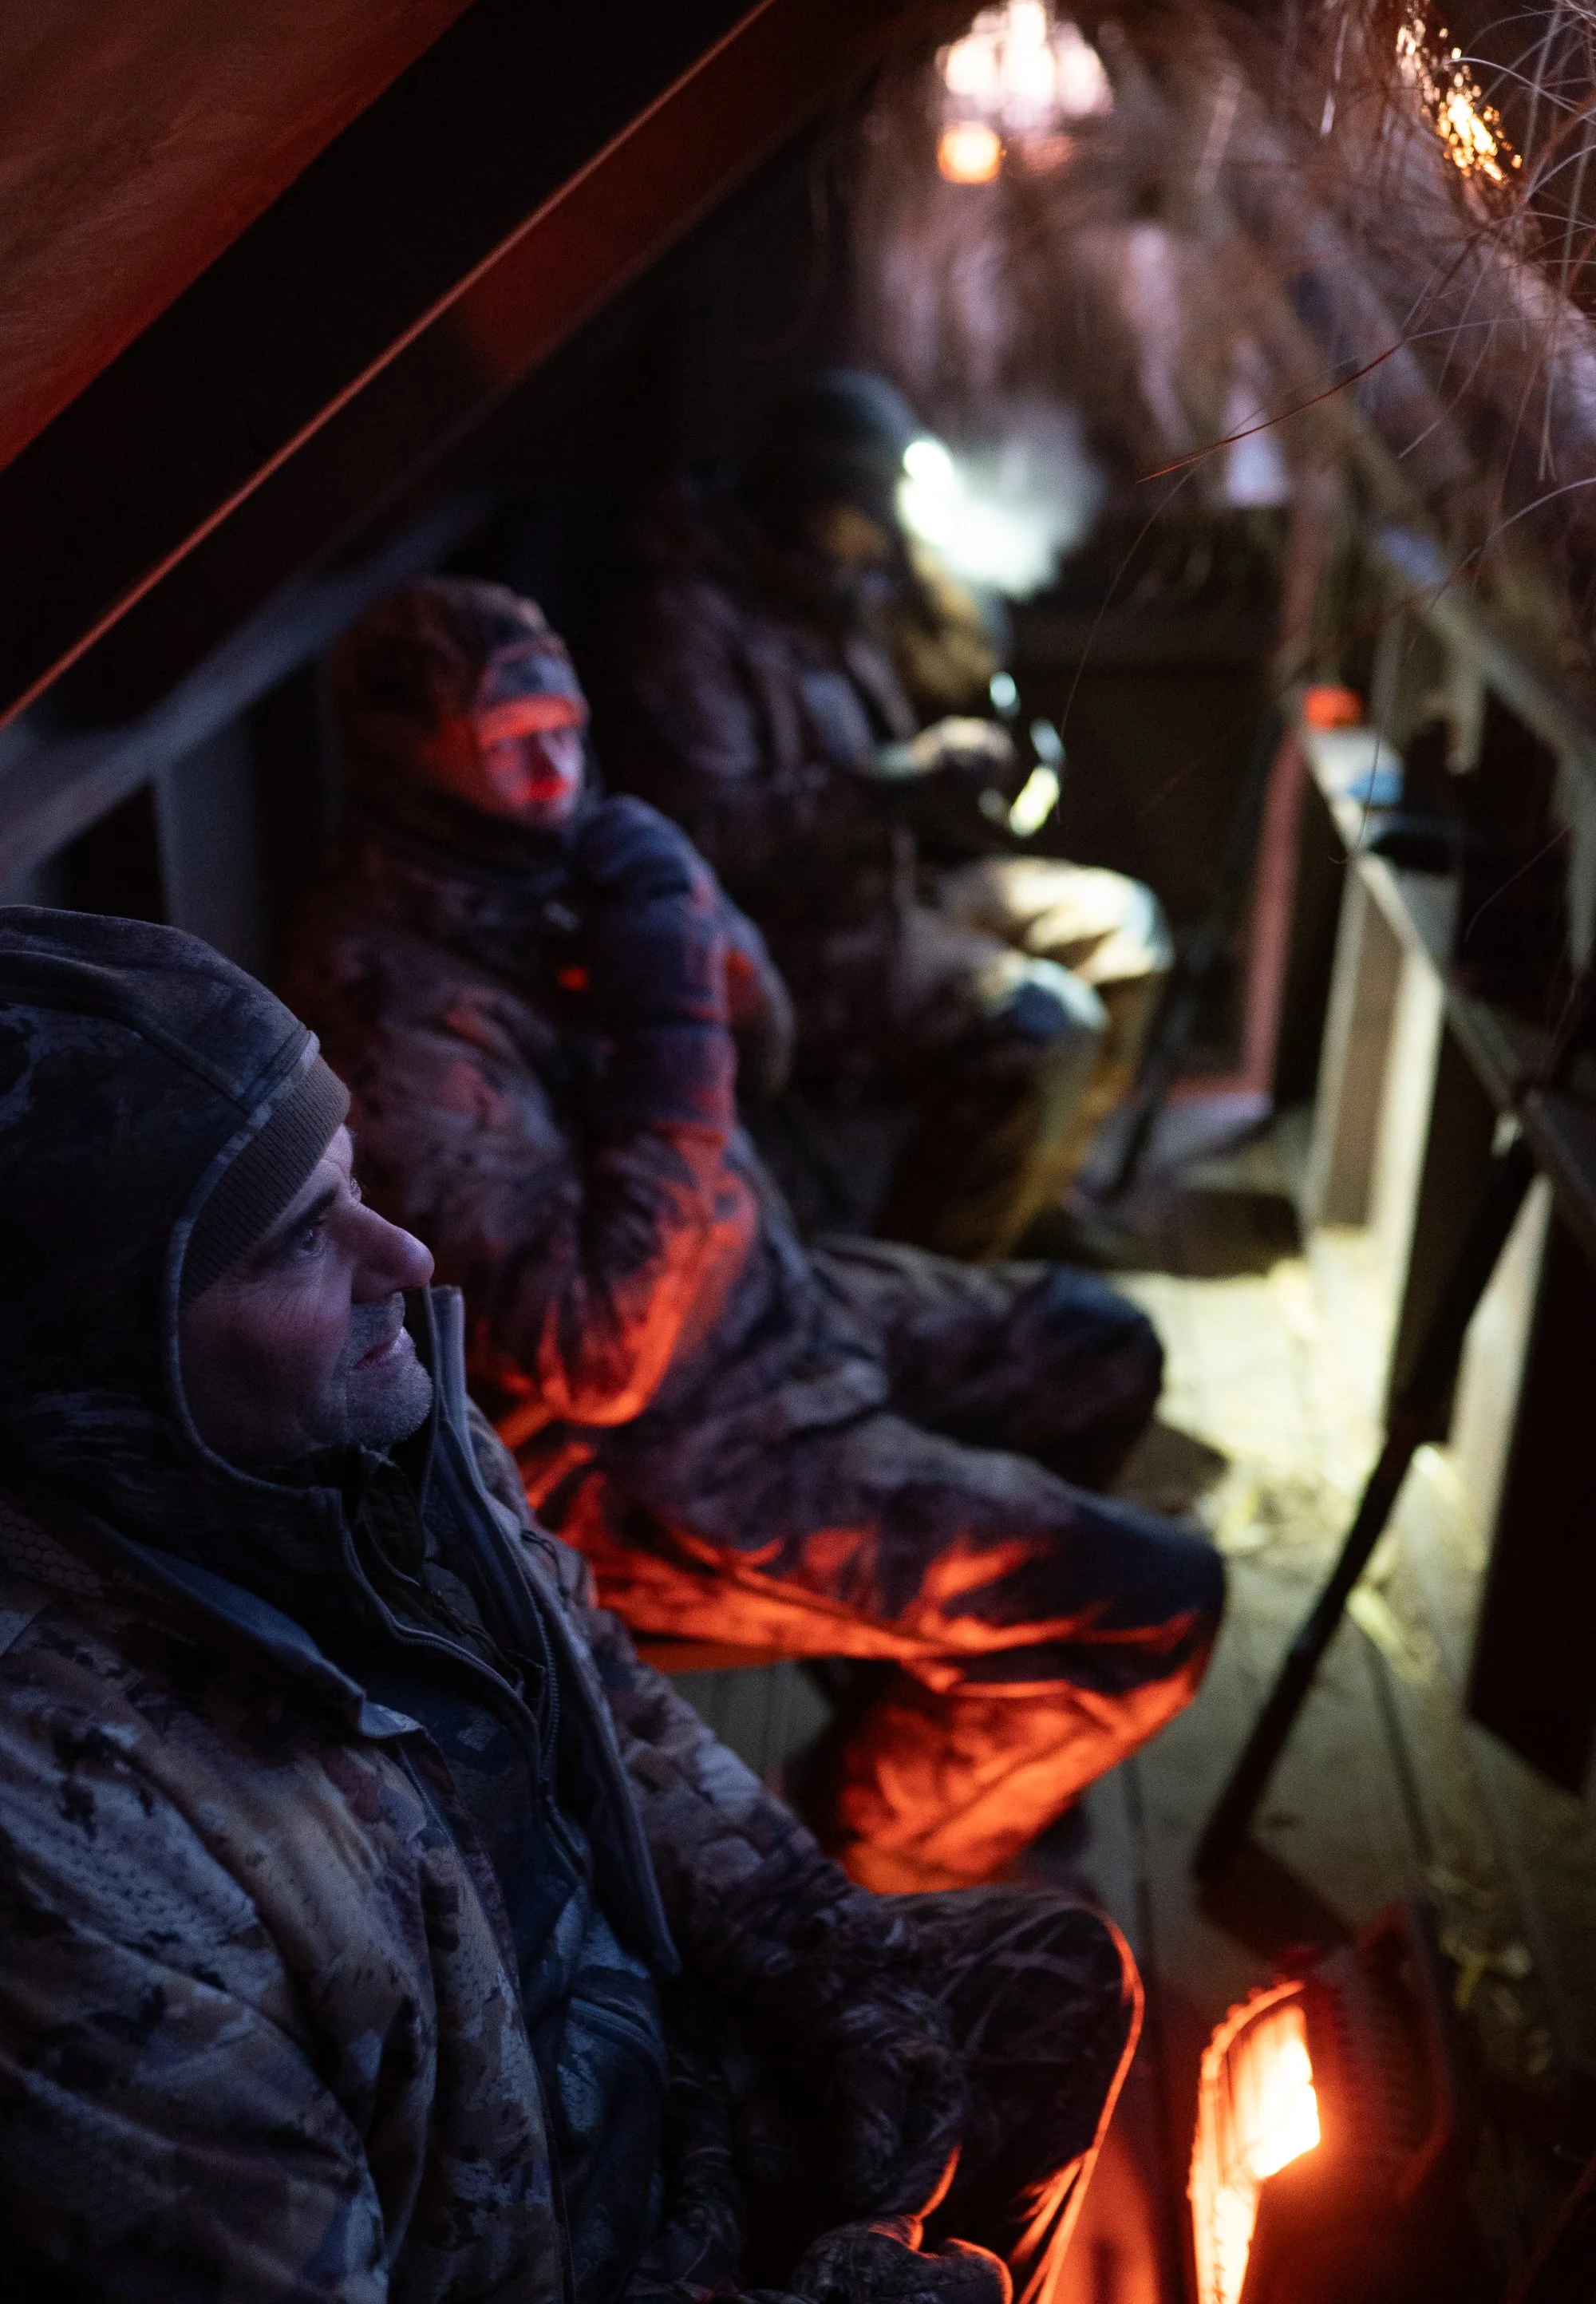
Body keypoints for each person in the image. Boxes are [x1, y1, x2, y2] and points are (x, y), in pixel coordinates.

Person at [0, 903, 1141, 2304]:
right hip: (534, 2247)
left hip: (643, 2071)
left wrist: (820, 1953)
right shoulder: (61, 1835)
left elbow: (615, 1706)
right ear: (100, 1362)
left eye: (353, 1176)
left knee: (1050, 1985)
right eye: (298, 1243)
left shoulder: (376, 1442)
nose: (404, 1261)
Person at [283, 575, 1223, 1896]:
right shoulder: (392, 1004)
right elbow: (596, 1355)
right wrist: (668, 1011)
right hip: (640, 1459)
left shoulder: (561, 866)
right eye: (513, 744)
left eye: (566, 724)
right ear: (413, 762)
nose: (559, 765)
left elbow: (765, 1056)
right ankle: (863, 1880)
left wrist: (690, 919)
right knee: (1145, 1602)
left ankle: (930, 1741)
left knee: (1095, 1344)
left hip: (768, 1309)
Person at [595, 367, 1174, 1262]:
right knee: (1043, 1026)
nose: (880, 539)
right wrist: (889, 780)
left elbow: (957, 666)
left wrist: (930, 582)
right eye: (869, 515)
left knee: (1122, 930)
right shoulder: (688, 624)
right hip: (794, 946)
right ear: (810, 502)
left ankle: (1027, 1205)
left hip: (895, 892)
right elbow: (703, 837)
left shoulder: (837, 587)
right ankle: (936, 1278)